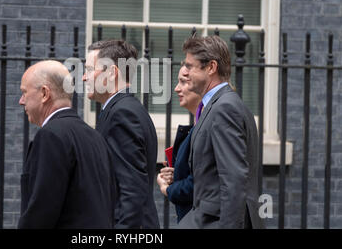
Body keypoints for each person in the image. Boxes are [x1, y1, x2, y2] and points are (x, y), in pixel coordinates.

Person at [178, 35, 264, 229]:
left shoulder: (225, 108)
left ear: (211, 67)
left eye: (190, 66)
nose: (185, 72)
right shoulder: (219, 105)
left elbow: (233, 180)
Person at [17, 60, 115, 229]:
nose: (21, 100)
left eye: (25, 92)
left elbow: (42, 209)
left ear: (44, 93)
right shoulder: (95, 137)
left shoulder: (50, 136)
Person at [82, 40, 160, 229]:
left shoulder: (122, 115)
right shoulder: (124, 109)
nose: (84, 77)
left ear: (112, 73)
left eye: (90, 69)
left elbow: (132, 190)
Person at [156, 66, 201, 223]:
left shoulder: (206, 126)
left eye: (183, 82)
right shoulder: (198, 126)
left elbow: (199, 184)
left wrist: (167, 189)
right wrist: (177, 174)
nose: (176, 89)